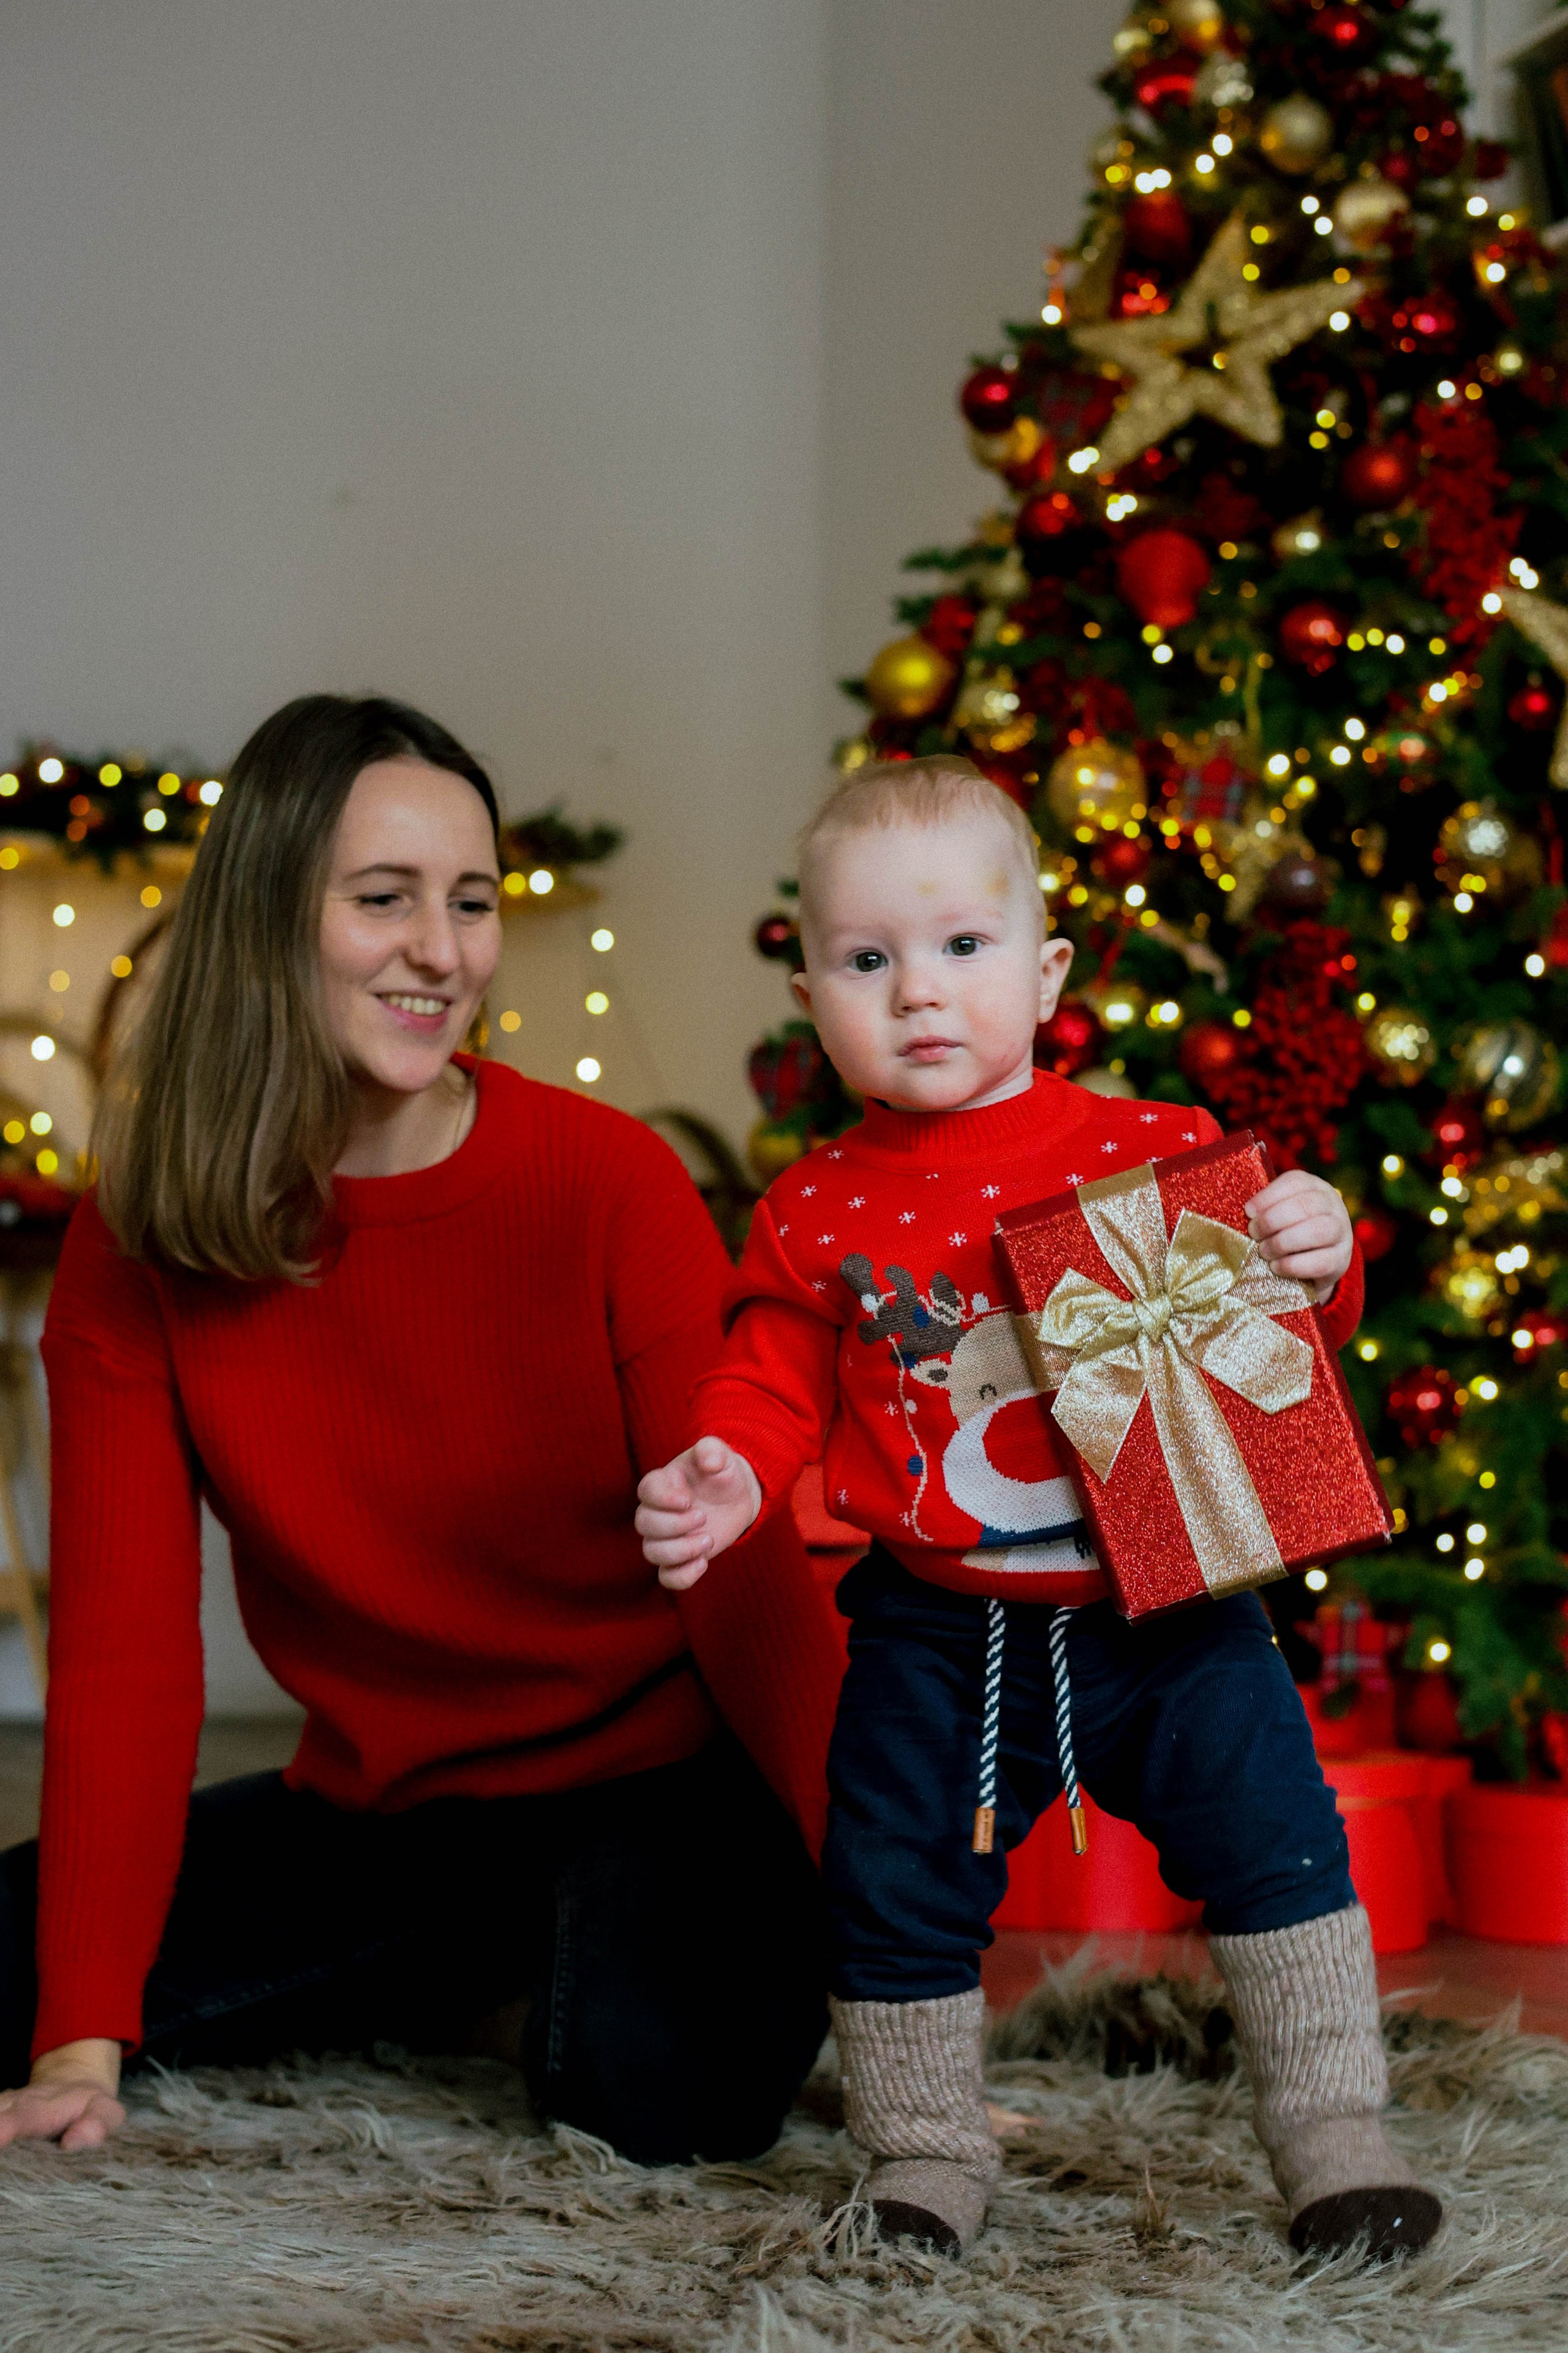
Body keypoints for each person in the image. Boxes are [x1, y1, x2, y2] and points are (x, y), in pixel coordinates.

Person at [0, 693, 839, 2163]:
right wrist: (80, 2041)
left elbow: (752, 1584)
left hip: (655, 1781)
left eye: (469, 900)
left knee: (654, 2092)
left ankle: (545, 1986)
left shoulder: (607, 1184)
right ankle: (481, 1976)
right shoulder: (137, 1237)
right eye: (382, 900)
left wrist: (903, 1965)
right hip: (384, 1816)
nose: (441, 952)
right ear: (270, 917)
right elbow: (126, 1656)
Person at [636, 755, 1442, 2262]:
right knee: (892, 1880)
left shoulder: (1148, 1147)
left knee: (1276, 1841)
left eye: (959, 947)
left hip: (1172, 1617)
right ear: (810, 989)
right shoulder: (810, 1207)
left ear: (1044, 967)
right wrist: (726, 1468)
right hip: (935, 1627)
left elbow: (1271, 1350)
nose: (918, 993)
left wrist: (1316, 1256)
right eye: (866, 961)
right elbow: (765, 1379)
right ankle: (925, 2155)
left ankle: (1335, 2133)